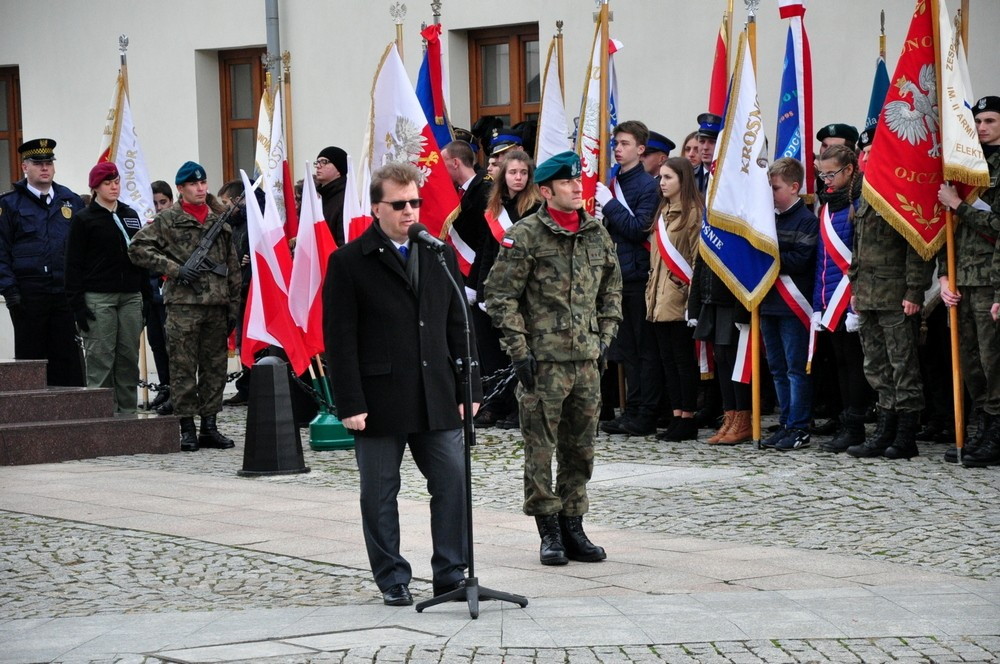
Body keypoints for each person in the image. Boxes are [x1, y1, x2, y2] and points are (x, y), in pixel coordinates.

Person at [323, 162, 481, 606]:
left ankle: (450, 572)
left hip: (436, 394)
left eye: (415, 202)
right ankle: (392, 576)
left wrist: (469, 389)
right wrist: (349, 401)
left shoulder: (438, 253)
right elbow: (340, 339)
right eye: (399, 204)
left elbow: (458, 325)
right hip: (378, 399)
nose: (410, 211)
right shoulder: (349, 261)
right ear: (377, 208)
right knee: (380, 493)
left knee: (452, 482)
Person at [486, 151, 622, 566]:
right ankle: (548, 529)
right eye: (566, 183)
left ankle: (574, 523)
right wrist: (519, 349)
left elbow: (611, 290)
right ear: (546, 191)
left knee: (580, 448)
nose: (577, 187)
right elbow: (499, 295)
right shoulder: (526, 235)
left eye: (578, 181)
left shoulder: (596, 232)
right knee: (541, 448)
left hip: (586, 360)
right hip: (542, 362)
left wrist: (604, 339)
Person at [128, 161, 242, 452]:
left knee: (215, 370)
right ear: (181, 188)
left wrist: (233, 307)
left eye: (203, 183)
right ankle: (187, 427)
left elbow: (232, 267)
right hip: (183, 307)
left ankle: (210, 427)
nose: (201, 189)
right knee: (182, 369)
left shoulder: (219, 219)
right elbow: (137, 249)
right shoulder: (167, 220)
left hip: (216, 306)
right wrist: (174, 269)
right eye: (193, 184)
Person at [847, 172, 933, 461]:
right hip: (869, 295)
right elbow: (858, 247)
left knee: (903, 365)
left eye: (873, 152)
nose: (868, 159)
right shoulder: (864, 194)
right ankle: (885, 429)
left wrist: (914, 290)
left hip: (895, 295)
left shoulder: (901, 194)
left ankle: (906, 434)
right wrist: (855, 285)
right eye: (866, 154)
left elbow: (917, 245)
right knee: (875, 365)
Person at [0, 138, 86, 387]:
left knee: (66, 358)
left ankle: (71, 419)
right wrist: (10, 290)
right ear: (25, 167)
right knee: (31, 360)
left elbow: (81, 249)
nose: (45, 168)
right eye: (38, 164)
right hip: (28, 293)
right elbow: (2, 251)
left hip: (63, 291)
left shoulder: (70, 201)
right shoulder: (9, 204)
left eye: (49, 162)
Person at [944, 95, 1000, 468]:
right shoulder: (967, 165)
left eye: (990, 121)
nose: (981, 127)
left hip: (990, 279)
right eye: (978, 121)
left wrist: (959, 205)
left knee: (993, 360)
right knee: (971, 361)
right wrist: (945, 273)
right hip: (963, 277)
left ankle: (995, 433)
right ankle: (981, 427)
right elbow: (945, 231)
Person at [596, 120, 662, 436]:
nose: (618, 149)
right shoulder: (613, 183)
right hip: (616, 276)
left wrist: (608, 205)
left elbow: (638, 229)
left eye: (624, 144)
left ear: (640, 148)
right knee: (626, 352)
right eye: (616, 144)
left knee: (643, 350)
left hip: (637, 275)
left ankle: (646, 412)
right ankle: (631, 409)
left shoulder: (648, 186)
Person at [64, 162, 146, 413]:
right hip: (98, 296)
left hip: (131, 295)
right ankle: (101, 418)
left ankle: (128, 415)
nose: (114, 187)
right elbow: (73, 263)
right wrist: (77, 304)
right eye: (108, 183)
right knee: (101, 358)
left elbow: (141, 256)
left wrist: (147, 298)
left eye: (117, 182)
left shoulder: (130, 214)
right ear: (96, 188)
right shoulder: (84, 219)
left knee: (128, 358)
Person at [472, 149, 542, 429]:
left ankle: (518, 406)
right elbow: (487, 252)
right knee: (492, 351)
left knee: (517, 349)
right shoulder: (495, 207)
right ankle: (495, 404)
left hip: (522, 290)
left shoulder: (535, 208)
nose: (518, 178)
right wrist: (480, 291)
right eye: (513, 172)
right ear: (504, 175)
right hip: (496, 288)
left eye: (523, 173)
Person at [812, 145, 875, 453]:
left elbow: (862, 255)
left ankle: (856, 424)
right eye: (822, 173)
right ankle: (843, 421)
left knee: (855, 364)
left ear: (849, 170)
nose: (826, 180)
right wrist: (816, 304)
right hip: (829, 299)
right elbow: (822, 261)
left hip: (851, 299)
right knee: (838, 362)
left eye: (832, 173)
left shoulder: (860, 202)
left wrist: (857, 298)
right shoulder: (826, 206)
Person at [759, 158, 819, 451]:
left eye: (775, 188)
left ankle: (799, 426)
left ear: (795, 188)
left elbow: (800, 260)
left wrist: (769, 252)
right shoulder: (767, 218)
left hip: (793, 305)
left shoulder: (806, 219)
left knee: (796, 369)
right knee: (777, 369)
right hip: (768, 302)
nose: (770, 193)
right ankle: (785, 422)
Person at [645, 157, 702, 442]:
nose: (662, 183)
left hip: (679, 298)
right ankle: (676, 414)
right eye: (661, 178)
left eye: (668, 178)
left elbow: (696, 260)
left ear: (683, 180)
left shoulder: (692, 213)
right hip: (658, 297)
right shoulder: (662, 211)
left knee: (683, 361)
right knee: (667, 360)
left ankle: (688, 418)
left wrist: (693, 303)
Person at [145, 180, 173, 412]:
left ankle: (176, 389)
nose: (158, 207)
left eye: (162, 202)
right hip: (151, 294)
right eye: (154, 203)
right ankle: (164, 387)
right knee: (156, 343)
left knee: (171, 344)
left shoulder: (175, 225)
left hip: (170, 295)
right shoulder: (147, 227)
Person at [314, 146, 349, 246]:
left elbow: (344, 243)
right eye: (317, 162)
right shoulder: (321, 198)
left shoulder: (344, 200)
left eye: (324, 162)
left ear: (339, 170)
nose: (318, 166)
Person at [694, 114, 722, 195]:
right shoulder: (688, 176)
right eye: (702, 142)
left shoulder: (729, 177)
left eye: (712, 142)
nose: (705, 147)